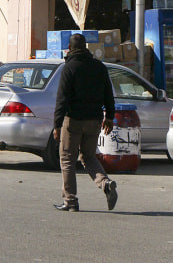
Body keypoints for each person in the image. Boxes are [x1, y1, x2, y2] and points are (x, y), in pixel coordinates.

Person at [53, 33, 118, 212]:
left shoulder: (69, 67)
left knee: (67, 158)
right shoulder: (99, 66)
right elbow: (108, 94)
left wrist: (57, 124)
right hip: (94, 120)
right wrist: (109, 116)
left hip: (73, 120)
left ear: (70, 48)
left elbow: (62, 98)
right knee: (88, 157)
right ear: (86, 47)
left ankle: (70, 201)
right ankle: (105, 183)